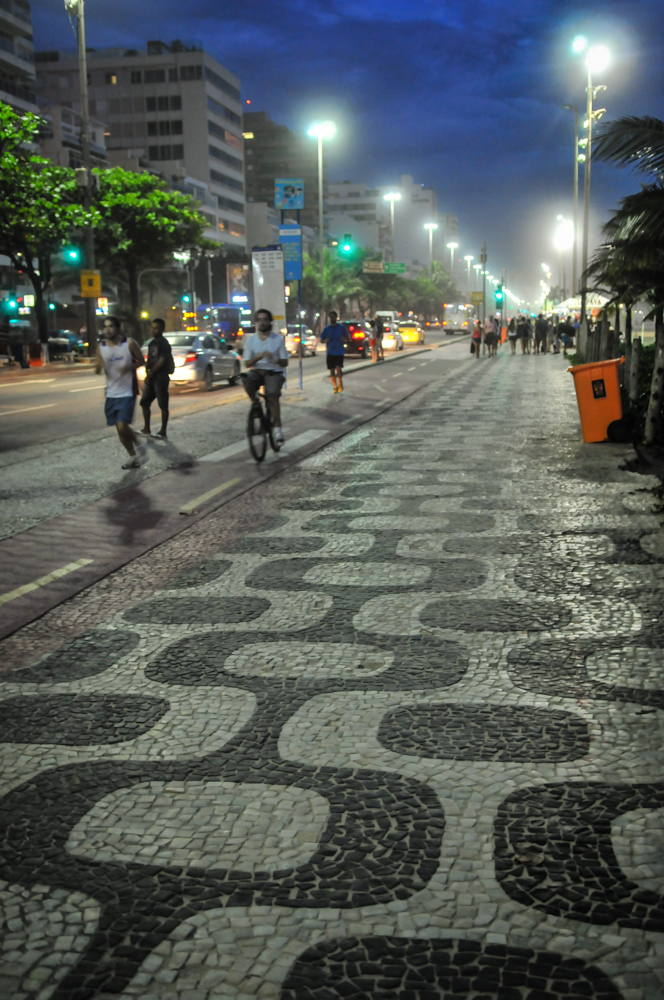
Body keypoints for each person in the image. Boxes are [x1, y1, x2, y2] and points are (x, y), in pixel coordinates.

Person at [95, 315, 147, 469]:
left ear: (117, 328)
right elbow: (99, 366)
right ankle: (134, 456)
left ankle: (139, 446)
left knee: (123, 426)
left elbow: (142, 360)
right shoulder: (102, 347)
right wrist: (98, 367)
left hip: (127, 391)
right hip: (111, 392)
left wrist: (129, 367)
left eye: (110, 326)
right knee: (119, 429)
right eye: (105, 326)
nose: (107, 329)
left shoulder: (128, 343)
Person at [242, 308, 288, 443]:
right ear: (256, 322)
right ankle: (256, 404)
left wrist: (274, 358)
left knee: (272, 394)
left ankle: (278, 429)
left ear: (270, 322)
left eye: (265, 320)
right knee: (246, 379)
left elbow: (285, 362)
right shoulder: (251, 341)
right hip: (257, 371)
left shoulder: (276, 339)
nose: (262, 323)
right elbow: (246, 363)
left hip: (274, 372)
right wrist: (259, 357)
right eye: (259, 320)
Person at [140, 318, 173, 439]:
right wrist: (147, 372)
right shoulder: (152, 343)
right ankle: (146, 428)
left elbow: (161, 361)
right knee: (144, 402)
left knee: (163, 405)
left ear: (162, 330)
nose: (153, 330)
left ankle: (163, 431)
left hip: (161, 377)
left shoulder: (164, 344)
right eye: (152, 328)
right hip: (152, 377)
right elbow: (150, 359)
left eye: (156, 328)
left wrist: (151, 373)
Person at [321, 310, 349, 392]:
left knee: (338, 368)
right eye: (331, 317)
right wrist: (326, 340)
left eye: (333, 317)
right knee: (331, 370)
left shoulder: (341, 327)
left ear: (336, 318)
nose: (332, 318)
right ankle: (335, 386)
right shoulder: (326, 329)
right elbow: (321, 340)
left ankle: (340, 382)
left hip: (339, 352)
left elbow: (347, 338)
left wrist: (344, 339)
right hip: (330, 352)